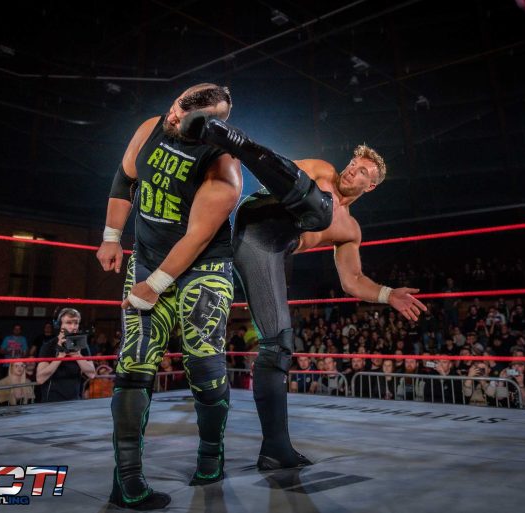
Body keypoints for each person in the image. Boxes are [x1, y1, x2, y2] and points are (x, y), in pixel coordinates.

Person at [180, 112, 427, 469]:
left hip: (265, 251)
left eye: (362, 172)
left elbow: (352, 280)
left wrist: (388, 294)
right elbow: (278, 176)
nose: (352, 171)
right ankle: (236, 142)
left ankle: (275, 449)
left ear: (370, 186)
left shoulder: (350, 230)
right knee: (321, 207)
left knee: (279, 345)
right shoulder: (322, 171)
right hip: (258, 215)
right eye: (353, 164)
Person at [95, 83, 241, 508]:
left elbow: (197, 238)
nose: (173, 119)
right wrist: (111, 237)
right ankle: (126, 480)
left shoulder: (223, 168)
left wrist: (154, 285)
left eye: (184, 117)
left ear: (209, 124)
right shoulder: (151, 127)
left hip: (204, 267)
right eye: (174, 108)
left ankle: (211, 456)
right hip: (147, 256)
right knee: (134, 360)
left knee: (204, 361)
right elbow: (125, 177)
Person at [36, 308, 96, 402]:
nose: (73, 327)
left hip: (74, 401)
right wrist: (60, 357)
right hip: (51, 401)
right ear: (59, 325)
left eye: (76, 323)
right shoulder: (49, 346)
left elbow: (92, 374)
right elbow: (40, 379)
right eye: (69, 323)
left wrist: (77, 356)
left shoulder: (81, 345)